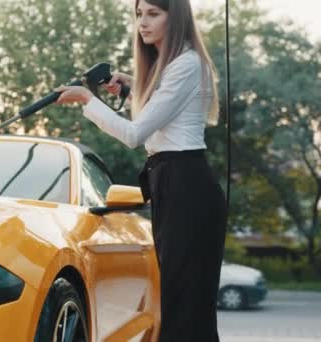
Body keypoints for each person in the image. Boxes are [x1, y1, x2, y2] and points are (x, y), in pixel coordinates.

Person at [54, 0, 228, 341]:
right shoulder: (174, 65)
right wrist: (135, 86)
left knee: (186, 307)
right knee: (181, 304)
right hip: (173, 184)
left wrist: (88, 101)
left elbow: (135, 134)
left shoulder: (187, 64)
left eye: (153, 13)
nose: (142, 23)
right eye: (138, 14)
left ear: (174, 17)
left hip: (187, 187)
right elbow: (168, 116)